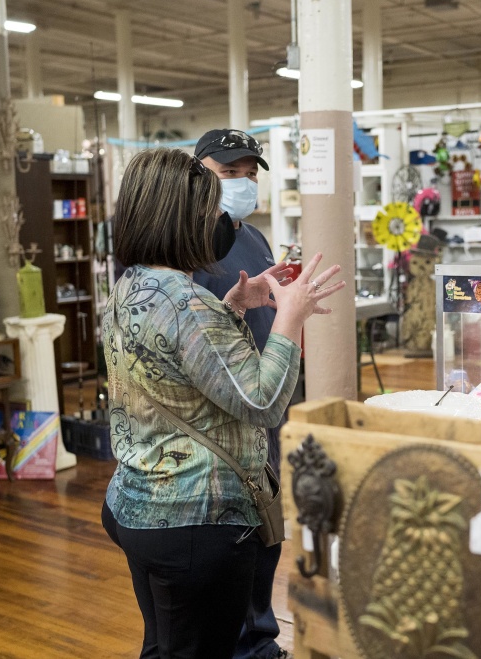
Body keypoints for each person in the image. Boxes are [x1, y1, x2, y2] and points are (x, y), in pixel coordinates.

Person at [100, 147, 344, 658]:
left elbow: (175, 370)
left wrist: (232, 304)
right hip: (195, 519)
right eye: (210, 211)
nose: (220, 222)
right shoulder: (187, 303)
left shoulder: (132, 286)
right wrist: (289, 318)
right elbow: (263, 402)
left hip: (138, 504)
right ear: (182, 218)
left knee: (165, 647)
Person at [190, 129, 293, 659]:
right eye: (229, 173)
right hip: (211, 419)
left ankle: (259, 641)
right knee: (224, 541)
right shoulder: (181, 248)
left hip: (263, 406)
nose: (242, 184)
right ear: (196, 172)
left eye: (249, 175)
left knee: (264, 532)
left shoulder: (251, 238)